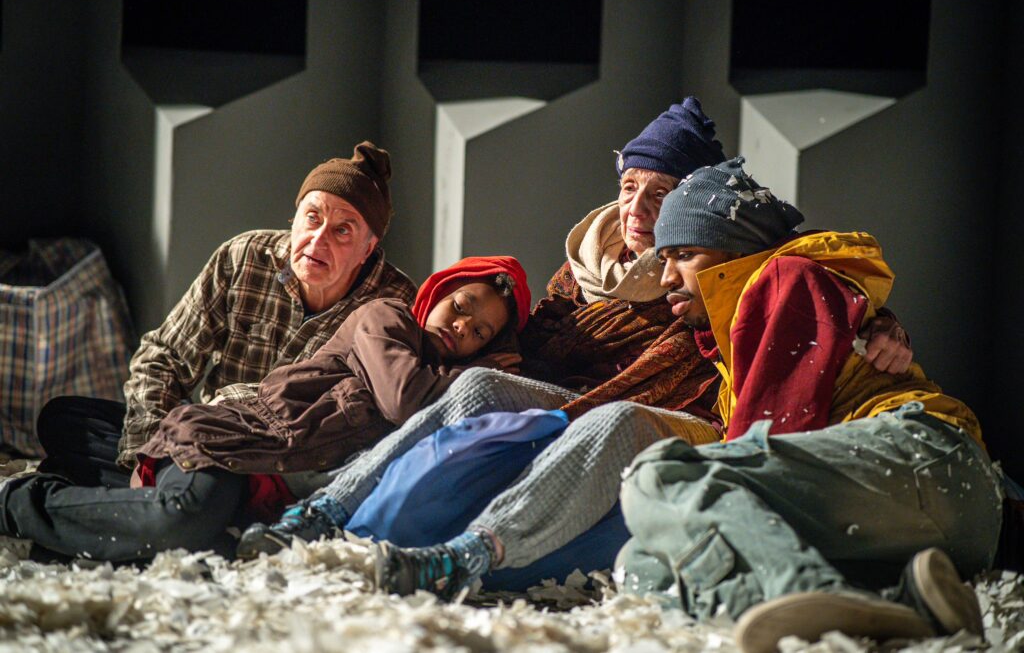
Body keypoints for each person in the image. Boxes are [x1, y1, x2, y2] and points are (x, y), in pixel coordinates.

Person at [237, 100, 914, 594]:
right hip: (573, 401)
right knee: (474, 389)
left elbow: (806, 288)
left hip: (664, 422)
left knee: (607, 419)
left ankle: (473, 551)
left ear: (697, 207)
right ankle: (325, 509)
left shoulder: (719, 261)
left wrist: (879, 326)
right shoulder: (582, 269)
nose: (637, 212)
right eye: (629, 190)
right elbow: (522, 350)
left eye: (661, 196)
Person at [616, 157, 1002, 653]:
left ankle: (805, 593)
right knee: (642, 562)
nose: (666, 277)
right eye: (664, 258)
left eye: (684, 254)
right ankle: (902, 607)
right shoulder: (735, 341)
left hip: (930, 462)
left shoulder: (786, 280)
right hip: (908, 530)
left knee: (659, 476)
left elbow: (777, 437)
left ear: (735, 255)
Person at [0, 143, 415, 551]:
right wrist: (145, 455)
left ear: (369, 248)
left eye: (343, 230)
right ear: (294, 219)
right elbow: (163, 357)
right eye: (312, 217)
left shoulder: (391, 308)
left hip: (273, 463)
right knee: (63, 419)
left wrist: (201, 431)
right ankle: (183, 509)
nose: (318, 239)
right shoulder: (244, 258)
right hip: (199, 435)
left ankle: (18, 504)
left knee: (185, 516)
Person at [0, 256, 529, 562]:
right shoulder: (388, 318)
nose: (461, 326)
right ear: (440, 291)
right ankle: (20, 502)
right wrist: (478, 373)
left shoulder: (443, 378)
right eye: (461, 306)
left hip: (266, 482)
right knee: (183, 523)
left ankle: (87, 460)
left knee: (208, 533)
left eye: (477, 331)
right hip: (237, 442)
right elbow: (403, 401)